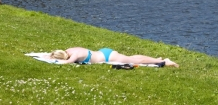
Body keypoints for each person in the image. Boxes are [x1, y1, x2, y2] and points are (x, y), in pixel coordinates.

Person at [49, 47, 179, 67]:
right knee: (132, 57)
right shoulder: (70, 50)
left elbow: (67, 63)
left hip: (108, 58)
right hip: (105, 52)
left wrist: (54, 61)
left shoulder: (74, 56)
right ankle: (157, 58)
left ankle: (163, 61)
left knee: (136, 61)